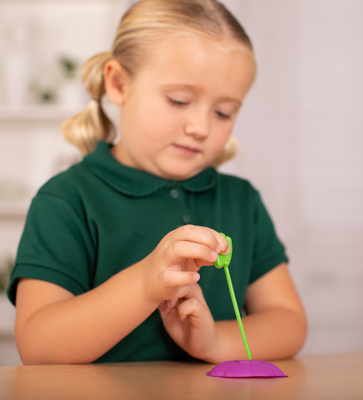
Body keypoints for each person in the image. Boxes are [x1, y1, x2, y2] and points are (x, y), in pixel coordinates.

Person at [8, 0, 307, 365]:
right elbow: (38, 346)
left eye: (223, 112)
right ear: (118, 84)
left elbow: (289, 323)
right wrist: (146, 284)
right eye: (179, 100)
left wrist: (214, 344)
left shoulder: (241, 200)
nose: (200, 127)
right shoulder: (66, 200)